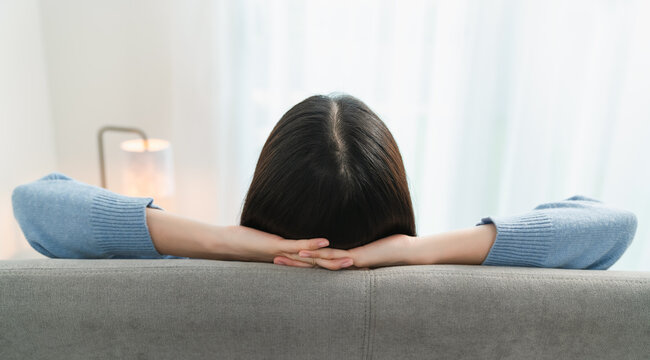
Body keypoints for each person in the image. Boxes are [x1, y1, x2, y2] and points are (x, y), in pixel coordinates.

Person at [12, 94, 637, 270]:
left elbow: (36, 204)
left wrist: (229, 241)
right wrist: (421, 251)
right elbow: (612, 225)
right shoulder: (442, 287)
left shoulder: (197, 287)